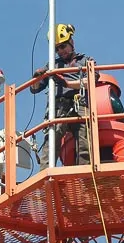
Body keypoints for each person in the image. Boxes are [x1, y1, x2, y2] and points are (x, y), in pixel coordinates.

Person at [30, 23, 95, 168]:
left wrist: (67, 84)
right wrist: (37, 78)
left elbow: (91, 81)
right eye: (57, 49)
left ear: (71, 42)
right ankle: (46, 176)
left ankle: (85, 177)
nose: (61, 51)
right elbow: (34, 89)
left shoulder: (85, 61)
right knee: (51, 141)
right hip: (58, 106)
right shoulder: (53, 65)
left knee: (84, 143)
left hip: (80, 104)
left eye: (63, 46)